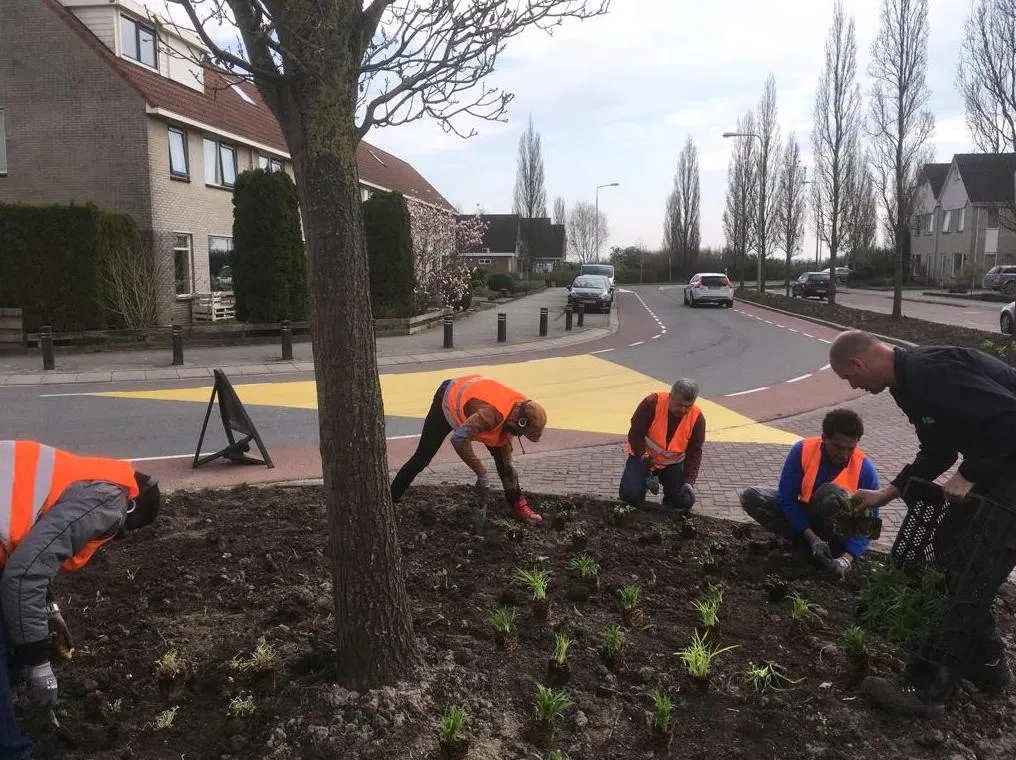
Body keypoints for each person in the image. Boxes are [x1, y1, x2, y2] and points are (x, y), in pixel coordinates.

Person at [829, 330, 1016, 716]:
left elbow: (1008, 416)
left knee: (965, 569)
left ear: (858, 364)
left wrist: (971, 472)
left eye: (850, 379)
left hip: (1006, 472)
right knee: (952, 557)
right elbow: (938, 448)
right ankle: (988, 665)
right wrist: (889, 492)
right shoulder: (906, 386)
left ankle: (927, 689)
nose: (855, 387)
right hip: (999, 469)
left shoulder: (931, 371)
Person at [0, 440, 161, 758]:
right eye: (122, 532)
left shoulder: (89, 478)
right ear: (130, 509)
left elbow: (30, 544)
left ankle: (12, 694)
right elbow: (22, 576)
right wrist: (38, 663)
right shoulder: (108, 504)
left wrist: (49, 609)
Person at [739, 408, 880, 578]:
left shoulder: (865, 470)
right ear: (824, 438)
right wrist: (812, 538)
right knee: (752, 496)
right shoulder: (803, 451)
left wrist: (846, 559)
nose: (844, 454)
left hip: (838, 535)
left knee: (829, 494)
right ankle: (804, 546)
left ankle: (825, 556)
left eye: (850, 448)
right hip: (807, 522)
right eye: (838, 446)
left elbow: (868, 525)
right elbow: (787, 499)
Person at [390, 375, 547, 523]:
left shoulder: (519, 408)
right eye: (520, 433)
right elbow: (459, 439)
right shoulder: (492, 415)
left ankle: (518, 507)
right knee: (422, 458)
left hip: (475, 402)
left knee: (504, 465)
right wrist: (481, 473)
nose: (518, 436)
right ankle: (390, 499)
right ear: (519, 423)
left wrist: (508, 465)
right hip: (447, 399)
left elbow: (505, 455)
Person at [619, 378, 704, 512]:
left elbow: (694, 453)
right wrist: (644, 456)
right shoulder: (652, 404)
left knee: (684, 501)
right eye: (679, 404)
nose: (682, 410)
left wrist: (689, 481)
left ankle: (669, 502)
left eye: (688, 406)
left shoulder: (697, 418)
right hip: (644, 460)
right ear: (671, 397)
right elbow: (635, 435)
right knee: (630, 495)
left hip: (672, 465)